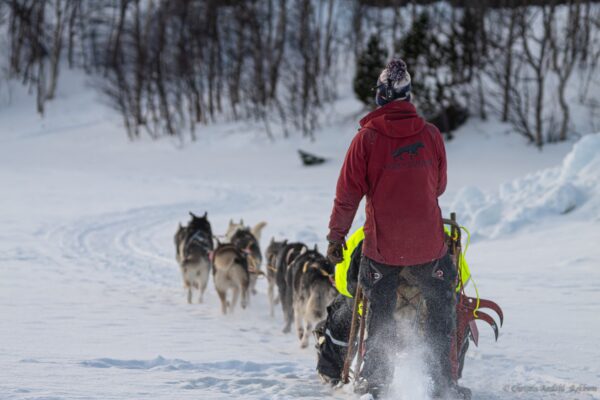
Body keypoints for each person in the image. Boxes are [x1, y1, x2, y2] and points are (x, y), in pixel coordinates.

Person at [325, 58, 470, 399]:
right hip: (429, 249)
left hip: (383, 249)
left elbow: (347, 195)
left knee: (378, 311)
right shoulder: (432, 135)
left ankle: (374, 381)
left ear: (380, 98)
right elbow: (440, 186)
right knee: (440, 308)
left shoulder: (367, 140)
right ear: (408, 97)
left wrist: (336, 237)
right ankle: (443, 382)